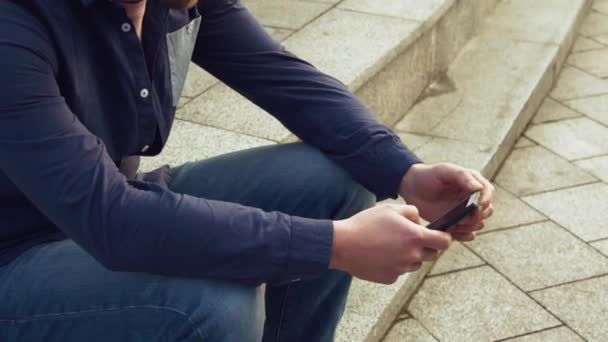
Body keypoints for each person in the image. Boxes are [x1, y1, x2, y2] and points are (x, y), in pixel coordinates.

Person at [0, 0, 495, 341]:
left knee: (330, 182)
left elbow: (285, 78)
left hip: (101, 205)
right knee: (211, 306)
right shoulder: (15, 27)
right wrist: (334, 244)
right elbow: (113, 219)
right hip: (17, 253)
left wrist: (406, 173)